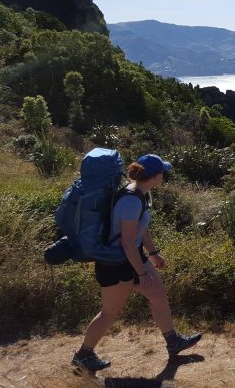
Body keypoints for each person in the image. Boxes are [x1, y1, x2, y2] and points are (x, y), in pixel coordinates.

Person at [71, 154, 201, 372]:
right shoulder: (131, 199)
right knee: (109, 312)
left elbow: (142, 227)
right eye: (163, 173)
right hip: (117, 262)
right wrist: (140, 273)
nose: (164, 176)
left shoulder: (141, 193)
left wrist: (153, 253)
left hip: (132, 257)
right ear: (156, 176)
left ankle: (173, 342)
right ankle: (83, 355)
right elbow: (127, 242)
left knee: (158, 293)